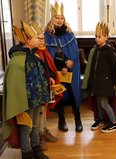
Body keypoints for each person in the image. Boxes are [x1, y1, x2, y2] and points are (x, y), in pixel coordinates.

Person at [3, 20, 49, 159]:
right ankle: (26, 152)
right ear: (28, 41)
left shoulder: (34, 56)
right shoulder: (16, 61)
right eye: (36, 38)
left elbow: (41, 77)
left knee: (35, 126)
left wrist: (43, 96)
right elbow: (14, 84)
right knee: (25, 127)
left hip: (36, 99)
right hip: (24, 102)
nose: (39, 40)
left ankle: (36, 149)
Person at [44, 2, 83, 132]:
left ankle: (78, 120)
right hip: (55, 68)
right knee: (58, 93)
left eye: (61, 18)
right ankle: (62, 120)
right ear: (52, 19)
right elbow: (48, 55)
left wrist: (71, 61)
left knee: (73, 94)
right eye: (57, 17)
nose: (59, 20)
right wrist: (55, 68)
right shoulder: (46, 36)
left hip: (70, 67)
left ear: (64, 19)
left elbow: (74, 51)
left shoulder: (69, 34)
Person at [82, 22, 116, 133]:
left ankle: (114, 123)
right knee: (98, 102)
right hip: (96, 83)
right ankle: (100, 119)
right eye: (96, 36)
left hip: (106, 84)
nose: (97, 39)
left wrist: (114, 83)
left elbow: (115, 69)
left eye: (100, 36)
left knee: (104, 103)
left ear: (106, 37)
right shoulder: (95, 50)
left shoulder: (110, 52)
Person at [32, 22, 60, 150]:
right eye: (39, 38)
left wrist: (53, 77)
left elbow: (50, 68)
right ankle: (40, 136)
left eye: (43, 38)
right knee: (39, 113)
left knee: (44, 111)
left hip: (47, 87)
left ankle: (44, 130)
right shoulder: (33, 54)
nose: (42, 41)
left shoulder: (45, 51)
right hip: (38, 88)